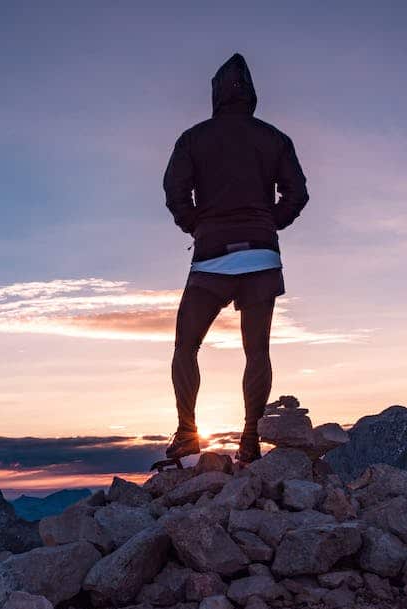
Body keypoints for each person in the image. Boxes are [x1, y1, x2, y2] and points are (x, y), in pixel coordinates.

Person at [162, 52, 309, 464]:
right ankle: (249, 439)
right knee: (257, 351)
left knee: (186, 346)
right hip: (261, 255)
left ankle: (187, 433)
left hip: (211, 256)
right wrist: (267, 223)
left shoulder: (193, 138)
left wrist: (197, 225)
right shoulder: (275, 138)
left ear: (215, 93)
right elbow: (297, 194)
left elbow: (175, 192)